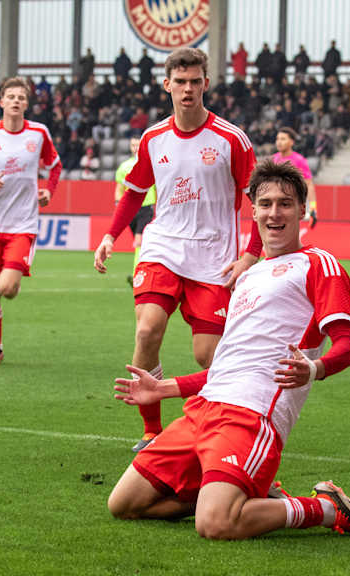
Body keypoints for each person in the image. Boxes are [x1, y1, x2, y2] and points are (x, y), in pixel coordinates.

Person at [106, 159, 350, 540]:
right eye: (265, 203)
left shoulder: (318, 264)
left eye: (285, 203)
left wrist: (314, 368)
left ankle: (325, 507)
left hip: (251, 414)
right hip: (203, 409)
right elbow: (228, 367)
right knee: (123, 505)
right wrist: (164, 388)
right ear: (253, 211)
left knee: (215, 524)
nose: (275, 212)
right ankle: (246, 492)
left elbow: (347, 345)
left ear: (302, 209)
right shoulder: (248, 277)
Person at [93, 48, 262, 452]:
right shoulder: (154, 138)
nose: (188, 89)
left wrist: (250, 256)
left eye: (195, 81)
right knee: (148, 328)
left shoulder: (231, 139)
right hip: (163, 247)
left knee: (209, 358)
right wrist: (109, 236)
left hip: (215, 259)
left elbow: (259, 198)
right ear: (166, 84)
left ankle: (212, 423)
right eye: (180, 82)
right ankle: (151, 431)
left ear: (206, 83)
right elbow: (134, 193)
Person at [0, 76, 62, 366]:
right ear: (2, 101)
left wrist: (48, 191)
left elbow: (54, 167)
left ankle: (14, 280)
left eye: (22, 97)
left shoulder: (39, 133)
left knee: (8, 289)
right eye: (12, 97)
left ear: (26, 104)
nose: (16, 101)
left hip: (22, 224)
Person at [115, 137, 157, 285]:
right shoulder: (124, 167)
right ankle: (144, 272)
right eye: (133, 145)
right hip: (132, 209)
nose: (135, 148)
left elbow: (156, 188)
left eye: (137, 145)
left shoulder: (150, 164)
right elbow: (119, 189)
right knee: (139, 242)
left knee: (139, 241)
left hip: (147, 206)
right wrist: (118, 204)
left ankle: (136, 275)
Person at [272, 127, 317, 228]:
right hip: (275, 209)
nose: (279, 142)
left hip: (291, 209)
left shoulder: (299, 160)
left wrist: (313, 209)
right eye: (277, 139)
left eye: (283, 139)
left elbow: (309, 184)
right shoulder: (273, 159)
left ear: (291, 142)